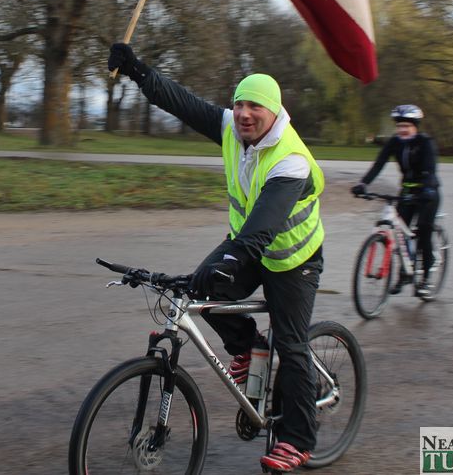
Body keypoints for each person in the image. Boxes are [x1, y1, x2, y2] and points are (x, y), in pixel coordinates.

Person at [108, 43, 324, 473]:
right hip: (247, 246)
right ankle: (250, 349)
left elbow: (262, 225)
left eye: (255, 106)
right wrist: (136, 70)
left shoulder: (291, 161)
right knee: (196, 291)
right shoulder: (231, 129)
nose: (244, 113)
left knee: (293, 344)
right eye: (239, 103)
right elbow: (182, 103)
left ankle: (297, 439)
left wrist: (231, 258)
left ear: (274, 112)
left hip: (294, 261)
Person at [351, 105, 441, 296]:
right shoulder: (395, 142)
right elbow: (378, 164)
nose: (402, 130)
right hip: (406, 192)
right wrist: (363, 184)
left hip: (427, 193)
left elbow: (430, 170)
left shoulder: (425, 143)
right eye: (399, 126)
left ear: (415, 126)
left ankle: (426, 277)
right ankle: (404, 273)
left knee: (424, 230)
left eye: (406, 126)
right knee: (400, 233)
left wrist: (426, 188)